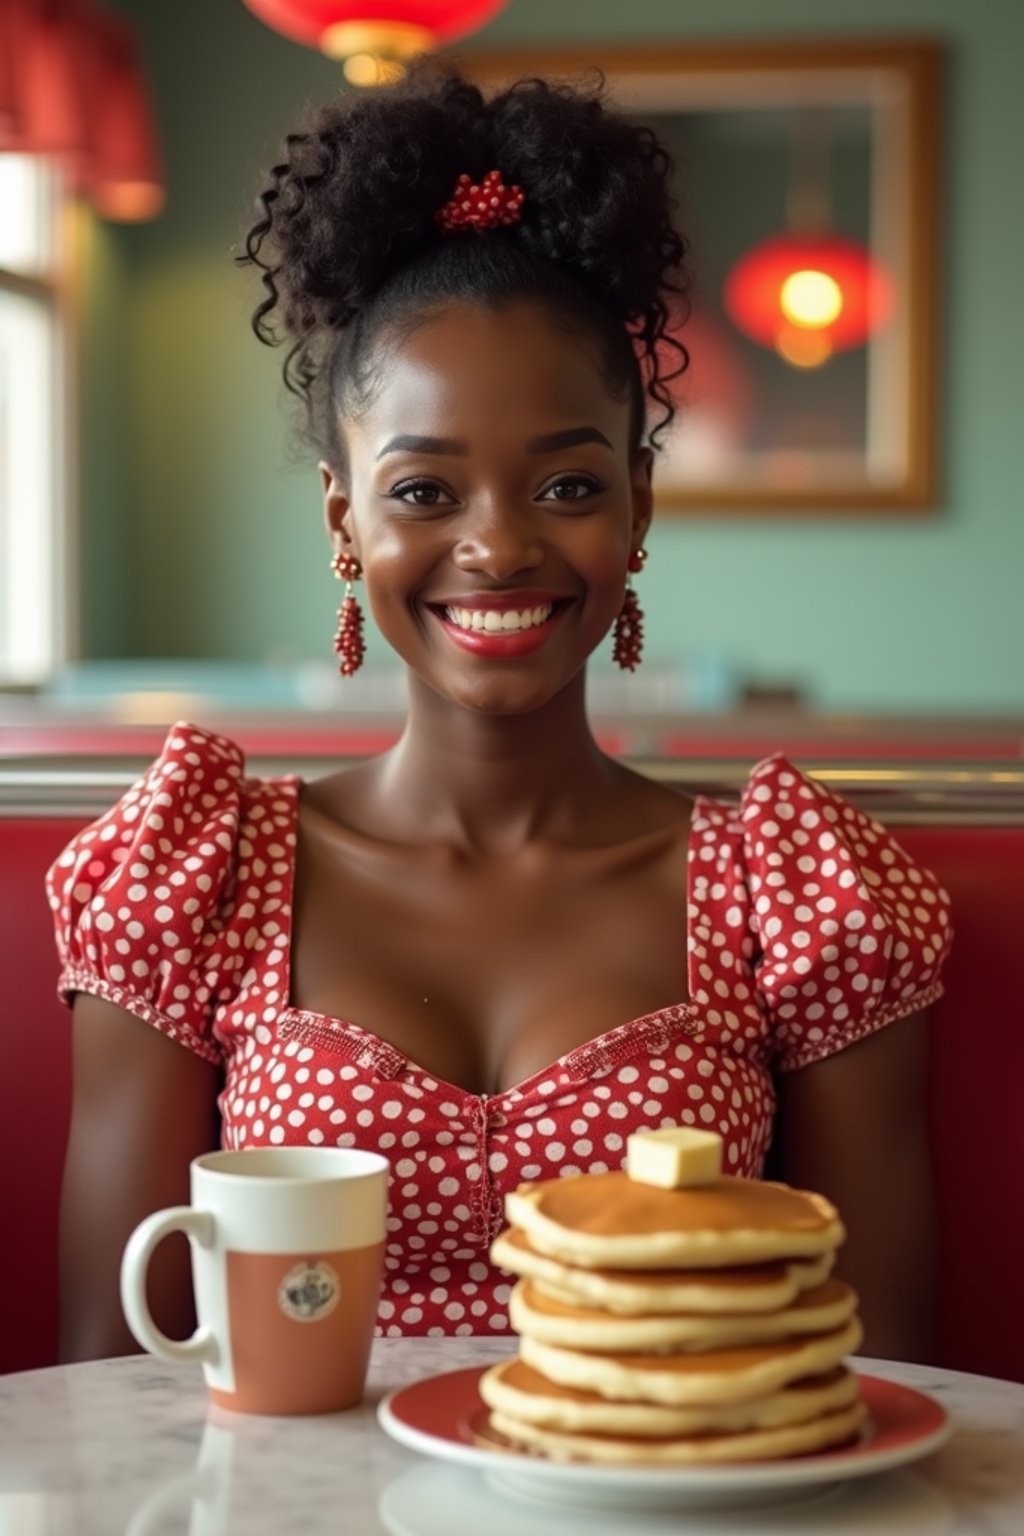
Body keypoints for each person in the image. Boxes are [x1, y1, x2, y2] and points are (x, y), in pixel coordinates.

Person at [49, 64, 951, 1362]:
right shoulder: (200, 874)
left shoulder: (788, 892)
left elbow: (882, 1376)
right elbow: (108, 1373)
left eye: (569, 484)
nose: (499, 546)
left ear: (640, 507)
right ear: (343, 523)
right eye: (424, 493)